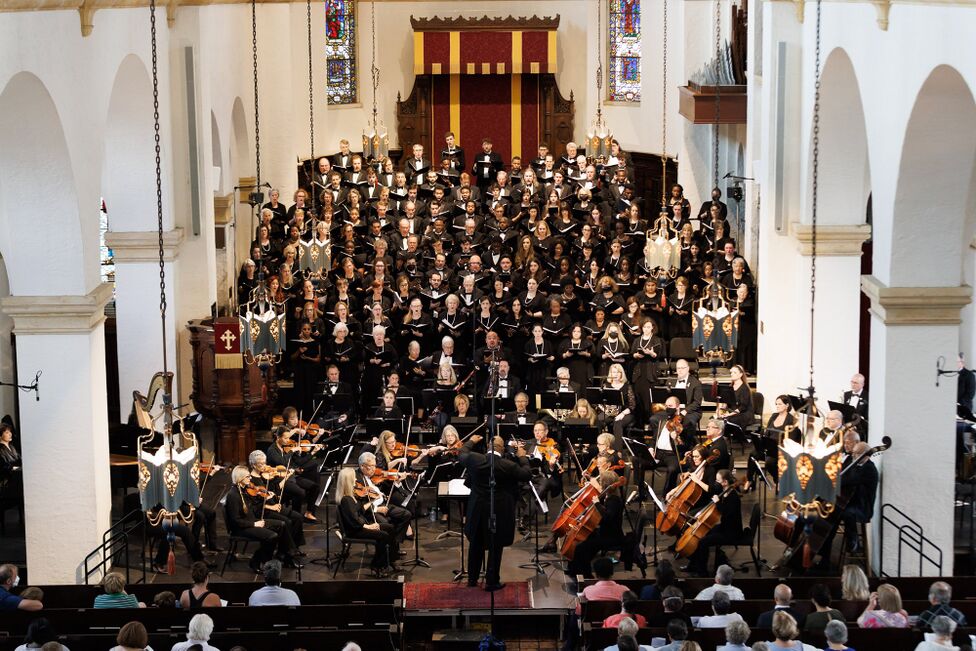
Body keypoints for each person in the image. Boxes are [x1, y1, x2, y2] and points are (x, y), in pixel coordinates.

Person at [460, 434, 532, 591]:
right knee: (495, 545)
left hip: (478, 510)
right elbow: (527, 474)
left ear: (488, 446)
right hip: (498, 512)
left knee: (476, 543)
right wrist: (522, 457)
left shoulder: (474, 459)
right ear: (502, 449)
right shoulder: (508, 465)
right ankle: (492, 581)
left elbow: (462, 453)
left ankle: (472, 579)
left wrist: (471, 441)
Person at [335, 467, 397, 577]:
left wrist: (372, 500)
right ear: (348, 481)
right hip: (355, 531)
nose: (356, 480)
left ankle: (390, 559)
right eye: (353, 478)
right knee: (383, 536)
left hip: (359, 526)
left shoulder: (351, 496)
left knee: (390, 528)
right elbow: (353, 521)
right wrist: (369, 527)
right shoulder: (346, 500)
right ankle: (376, 565)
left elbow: (360, 510)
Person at [684, 470, 742, 577]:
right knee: (702, 534)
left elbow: (726, 514)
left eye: (717, 480)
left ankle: (702, 572)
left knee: (703, 542)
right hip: (725, 527)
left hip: (731, 532)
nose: (715, 482)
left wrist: (718, 502)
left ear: (725, 482)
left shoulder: (733, 497)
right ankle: (693, 565)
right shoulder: (725, 492)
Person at [567, 471, 625, 577]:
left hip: (611, 536)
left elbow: (607, 518)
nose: (600, 483)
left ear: (606, 484)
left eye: (601, 482)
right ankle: (574, 569)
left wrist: (597, 504)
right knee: (581, 543)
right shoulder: (608, 496)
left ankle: (586, 575)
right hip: (605, 532)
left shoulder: (614, 500)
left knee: (581, 548)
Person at [225, 466, 281, 572]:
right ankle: (257, 561)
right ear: (240, 478)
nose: (250, 478)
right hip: (241, 528)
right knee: (272, 536)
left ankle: (266, 558)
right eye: (247, 476)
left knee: (280, 525)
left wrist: (265, 500)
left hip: (250, 522)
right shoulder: (233, 495)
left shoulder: (244, 491)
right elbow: (235, 521)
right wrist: (255, 524)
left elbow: (252, 509)